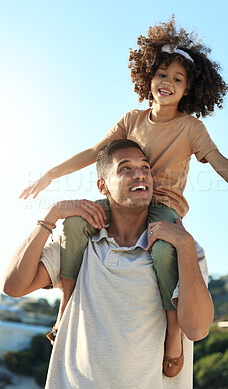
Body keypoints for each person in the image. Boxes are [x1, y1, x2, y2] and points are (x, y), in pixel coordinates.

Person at [19, 17, 228, 374]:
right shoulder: (132, 119)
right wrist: (51, 174)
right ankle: (65, 305)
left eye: (177, 79)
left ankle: (173, 333)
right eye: (161, 74)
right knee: (78, 221)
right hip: (120, 203)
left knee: (162, 250)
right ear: (148, 78)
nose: (167, 83)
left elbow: (219, 161)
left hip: (163, 209)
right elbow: (95, 151)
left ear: (188, 89)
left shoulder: (190, 128)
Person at [2, 140, 214, 388]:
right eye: (126, 169)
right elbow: (14, 286)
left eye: (145, 168)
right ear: (102, 186)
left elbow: (197, 329)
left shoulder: (182, 248)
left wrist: (186, 246)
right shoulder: (81, 243)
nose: (140, 174)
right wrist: (51, 216)